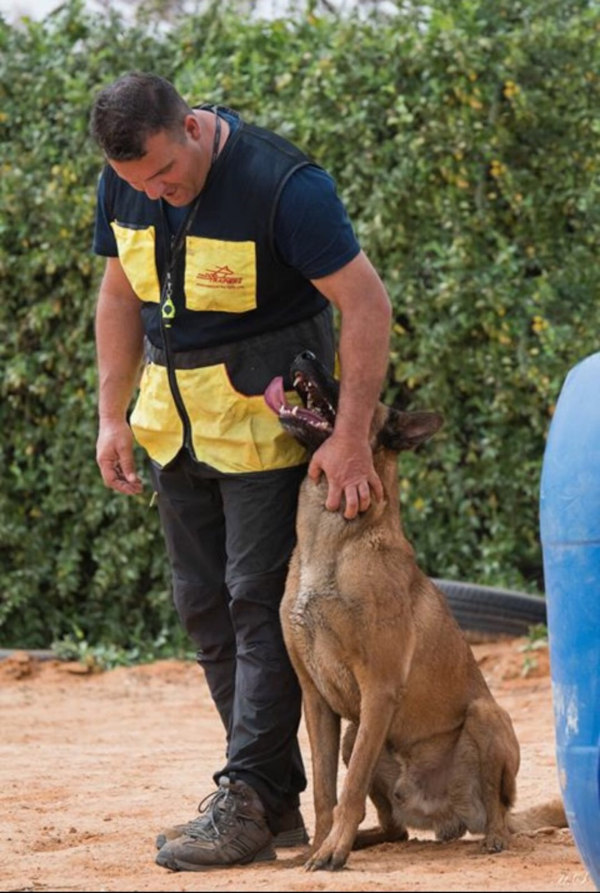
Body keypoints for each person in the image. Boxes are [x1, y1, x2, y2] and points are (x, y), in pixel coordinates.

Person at [89, 71, 392, 872]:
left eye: (164, 174)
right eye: (135, 183)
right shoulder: (124, 185)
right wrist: (112, 415)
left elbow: (365, 305)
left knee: (258, 606)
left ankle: (249, 796)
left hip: (269, 432)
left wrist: (352, 436)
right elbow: (120, 294)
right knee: (205, 611)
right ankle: (274, 798)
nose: (155, 191)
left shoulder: (283, 185)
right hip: (176, 433)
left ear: (191, 127)